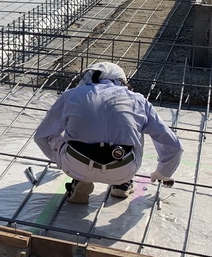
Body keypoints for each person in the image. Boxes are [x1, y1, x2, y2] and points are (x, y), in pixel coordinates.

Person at [33, 61, 183, 204]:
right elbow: (172, 144)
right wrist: (163, 172)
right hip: (122, 168)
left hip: (75, 165)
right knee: (135, 131)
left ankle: (79, 179)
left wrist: (61, 159)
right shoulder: (138, 101)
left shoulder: (71, 96)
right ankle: (122, 183)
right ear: (120, 81)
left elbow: (42, 136)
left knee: (57, 137)